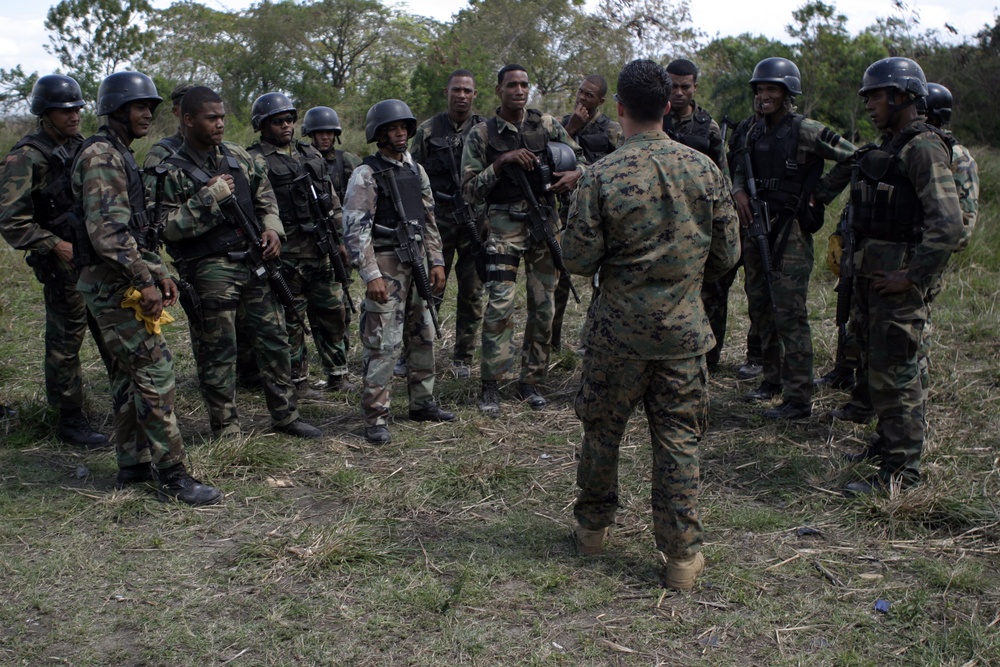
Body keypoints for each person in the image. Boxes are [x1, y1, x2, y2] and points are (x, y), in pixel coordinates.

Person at [564, 59, 740, 590]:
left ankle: (593, 530)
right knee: (679, 441)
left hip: (616, 336)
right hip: (683, 337)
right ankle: (682, 558)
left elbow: (577, 259)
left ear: (619, 107)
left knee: (602, 434)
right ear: (668, 105)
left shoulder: (601, 175)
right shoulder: (705, 170)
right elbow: (728, 254)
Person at [72, 71, 221, 505]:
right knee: (156, 374)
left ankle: (132, 464)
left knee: (128, 376)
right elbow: (108, 234)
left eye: (150, 107)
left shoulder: (116, 153)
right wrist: (144, 279)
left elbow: (133, 231)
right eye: (140, 107)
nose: (148, 115)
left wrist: (158, 271)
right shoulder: (102, 155)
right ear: (116, 108)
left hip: (115, 281)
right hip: (112, 286)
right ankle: (173, 475)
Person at [149, 86, 322, 440]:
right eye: (211, 118)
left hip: (255, 264)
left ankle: (286, 415)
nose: (219, 124)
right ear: (187, 120)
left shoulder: (239, 157)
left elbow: (266, 198)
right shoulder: (170, 171)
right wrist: (208, 199)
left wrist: (273, 230)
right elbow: (164, 228)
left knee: (275, 339)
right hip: (209, 270)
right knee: (218, 350)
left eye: (222, 117)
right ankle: (226, 426)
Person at [838, 58, 963, 495]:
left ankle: (902, 477)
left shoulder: (923, 148)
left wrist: (911, 276)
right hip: (875, 280)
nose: (869, 104)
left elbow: (949, 224)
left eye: (875, 95)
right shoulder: (895, 145)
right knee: (877, 369)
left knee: (898, 374)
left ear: (902, 95)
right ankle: (886, 447)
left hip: (898, 285)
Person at [732, 57, 856, 420]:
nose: (763, 96)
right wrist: (738, 191)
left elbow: (853, 158)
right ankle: (772, 379)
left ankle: (799, 398)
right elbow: (739, 165)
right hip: (756, 229)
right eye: (759, 90)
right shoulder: (751, 130)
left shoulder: (806, 130)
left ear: (788, 94)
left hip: (790, 233)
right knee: (760, 309)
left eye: (772, 90)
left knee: (790, 314)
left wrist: (818, 194)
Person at [461, 64, 585, 415]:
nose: (519, 90)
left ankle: (532, 380)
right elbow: (469, 190)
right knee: (500, 303)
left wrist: (574, 175)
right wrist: (500, 163)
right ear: (498, 89)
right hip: (502, 225)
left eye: (524, 85)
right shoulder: (482, 135)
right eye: (512, 85)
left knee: (543, 306)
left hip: (545, 221)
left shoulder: (546, 124)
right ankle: (491, 384)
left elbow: (585, 162)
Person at [0, 74, 112, 447]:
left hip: (94, 258)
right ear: (45, 114)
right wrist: (53, 244)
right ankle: (69, 417)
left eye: (77, 108)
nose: (74, 115)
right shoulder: (26, 157)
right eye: (65, 110)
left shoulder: (82, 147)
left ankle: (128, 402)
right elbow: (12, 221)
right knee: (65, 343)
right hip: (63, 264)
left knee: (113, 332)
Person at [342, 99, 454, 445]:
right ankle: (376, 416)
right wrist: (371, 274)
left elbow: (430, 219)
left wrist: (436, 261)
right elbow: (356, 230)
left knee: (423, 333)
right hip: (387, 261)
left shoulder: (415, 170)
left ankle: (423, 402)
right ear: (379, 133)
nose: (401, 133)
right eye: (393, 128)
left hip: (417, 259)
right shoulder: (366, 174)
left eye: (404, 127)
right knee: (383, 342)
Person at [247, 93, 353, 396]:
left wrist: (341, 239)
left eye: (290, 120)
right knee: (291, 320)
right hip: (285, 255)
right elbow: (256, 208)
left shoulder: (311, 156)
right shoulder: (255, 161)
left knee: (333, 312)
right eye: (278, 121)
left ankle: (338, 373)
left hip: (320, 249)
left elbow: (331, 201)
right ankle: (298, 380)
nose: (286, 126)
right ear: (262, 125)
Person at [410, 69, 486, 378]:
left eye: (467, 90)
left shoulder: (485, 130)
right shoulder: (428, 131)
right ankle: (416, 352)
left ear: (475, 94)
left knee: (472, 292)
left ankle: (463, 358)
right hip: (437, 224)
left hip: (475, 225)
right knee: (429, 290)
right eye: (457, 90)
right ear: (447, 92)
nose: (462, 95)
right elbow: (412, 174)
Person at [662, 59, 737, 371]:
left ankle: (710, 359)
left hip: (698, 222)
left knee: (712, 294)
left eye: (685, 86)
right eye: (673, 86)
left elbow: (722, 177)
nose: (679, 92)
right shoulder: (656, 121)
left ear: (695, 87)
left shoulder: (708, 127)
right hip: (661, 222)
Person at [551, 73, 621, 351]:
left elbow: (621, 166)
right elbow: (548, 153)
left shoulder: (611, 129)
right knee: (558, 279)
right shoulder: (561, 123)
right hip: (564, 212)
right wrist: (571, 127)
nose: (582, 98)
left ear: (601, 100)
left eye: (589, 95)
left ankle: (592, 339)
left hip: (601, 214)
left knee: (600, 281)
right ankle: (551, 340)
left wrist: (581, 174)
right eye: (580, 92)